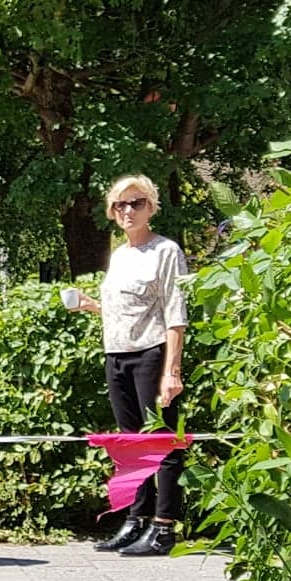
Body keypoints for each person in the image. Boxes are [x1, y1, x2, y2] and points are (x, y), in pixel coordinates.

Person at [68, 174, 190, 557]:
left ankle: (164, 526)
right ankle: (136, 520)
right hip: (116, 354)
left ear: (151, 207)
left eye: (136, 203)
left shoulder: (166, 251)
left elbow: (175, 314)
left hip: (151, 354)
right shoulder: (119, 255)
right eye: (120, 205)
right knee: (130, 443)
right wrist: (92, 306)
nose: (128, 211)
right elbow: (125, 309)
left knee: (162, 441)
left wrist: (172, 371)